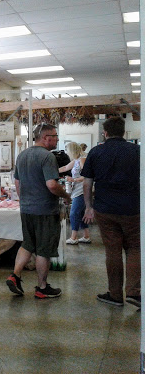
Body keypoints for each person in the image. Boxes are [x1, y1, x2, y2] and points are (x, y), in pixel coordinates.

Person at [6, 123, 71, 299]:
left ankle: (15, 275)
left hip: (26, 209)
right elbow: (51, 185)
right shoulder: (47, 157)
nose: (57, 139)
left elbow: (17, 184)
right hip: (45, 211)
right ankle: (42, 287)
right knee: (44, 249)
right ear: (45, 138)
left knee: (28, 243)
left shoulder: (22, 155)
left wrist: (25, 201)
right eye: (55, 136)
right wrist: (65, 195)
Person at [81, 117, 140, 307]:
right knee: (135, 249)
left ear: (105, 133)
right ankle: (134, 292)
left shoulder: (96, 152)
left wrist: (89, 207)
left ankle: (115, 295)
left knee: (112, 251)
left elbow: (87, 183)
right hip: (132, 209)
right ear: (123, 132)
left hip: (105, 209)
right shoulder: (137, 151)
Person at [59, 142, 90, 244]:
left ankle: (73, 237)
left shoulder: (82, 160)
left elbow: (86, 176)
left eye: (68, 150)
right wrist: (49, 170)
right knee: (80, 214)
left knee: (74, 213)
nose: (67, 153)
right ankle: (86, 236)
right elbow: (64, 168)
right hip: (77, 191)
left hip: (82, 191)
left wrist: (73, 180)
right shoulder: (76, 160)